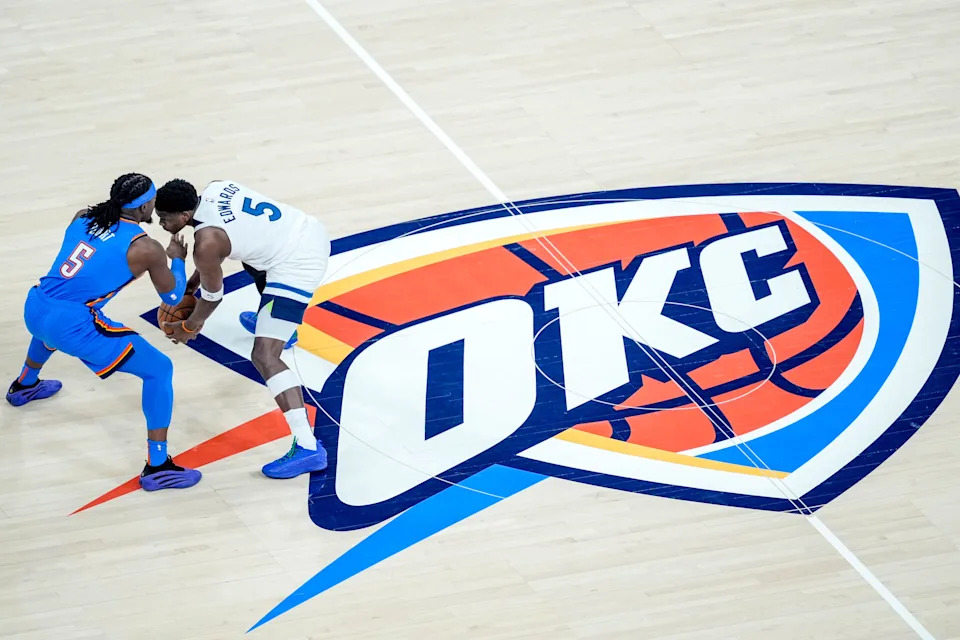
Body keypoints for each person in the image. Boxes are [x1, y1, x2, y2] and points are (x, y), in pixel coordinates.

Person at [5, 173, 202, 492]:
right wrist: (177, 261)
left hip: (36, 305)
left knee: (52, 326)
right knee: (159, 370)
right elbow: (172, 297)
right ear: (145, 206)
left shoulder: (83, 216)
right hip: (71, 323)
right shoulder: (147, 247)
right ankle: (158, 466)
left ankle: (24, 384)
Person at [154, 178, 330, 479]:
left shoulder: (206, 242)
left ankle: (308, 447)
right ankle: (278, 326)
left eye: (165, 217)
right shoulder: (215, 188)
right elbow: (217, 251)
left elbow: (213, 296)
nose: (160, 222)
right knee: (252, 256)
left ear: (184, 217)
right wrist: (195, 280)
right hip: (304, 229)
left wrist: (188, 327)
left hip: (298, 263)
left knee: (264, 356)